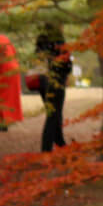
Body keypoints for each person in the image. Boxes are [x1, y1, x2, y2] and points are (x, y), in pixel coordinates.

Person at [34, 24, 72, 152]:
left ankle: (61, 144)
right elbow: (65, 61)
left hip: (42, 80)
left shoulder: (40, 40)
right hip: (56, 79)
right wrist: (67, 73)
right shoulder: (59, 40)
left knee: (54, 114)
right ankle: (46, 149)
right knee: (53, 115)